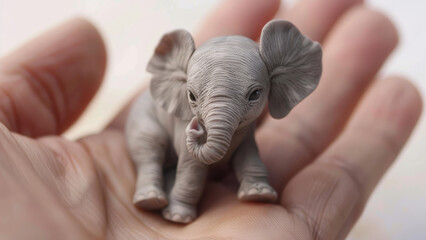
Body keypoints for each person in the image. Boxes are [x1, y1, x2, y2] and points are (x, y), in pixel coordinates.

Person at [0, 0, 421, 239]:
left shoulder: (244, 116)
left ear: (280, 82)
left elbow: (245, 142)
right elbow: (196, 155)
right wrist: (183, 201)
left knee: (245, 145)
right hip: (156, 129)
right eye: (194, 97)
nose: (226, 114)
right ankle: (152, 179)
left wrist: (253, 177)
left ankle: (249, 179)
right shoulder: (178, 108)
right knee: (155, 145)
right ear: (178, 84)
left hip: (219, 119)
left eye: (254, 95)